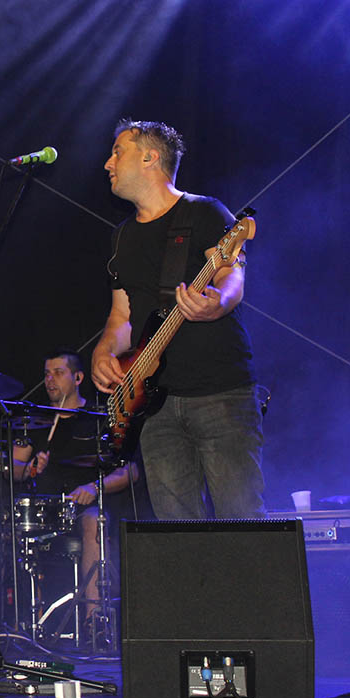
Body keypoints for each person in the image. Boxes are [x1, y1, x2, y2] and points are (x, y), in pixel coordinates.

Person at [91, 119, 264, 520]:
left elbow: (230, 274)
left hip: (220, 392)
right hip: (153, 407)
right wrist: (103, 352)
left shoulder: (204, 212)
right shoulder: (121, 237)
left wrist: (218, 302)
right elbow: (121, 315)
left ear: (150, 157)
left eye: (118, 152)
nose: (107, 163)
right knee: (176, 534)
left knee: (243, 524)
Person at [10, 350, 137, 625]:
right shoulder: (37, 421)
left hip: (86, 507)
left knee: (94, 522)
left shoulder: (99, 418)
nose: (50, 379)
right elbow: (13, 467)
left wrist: (95, 487)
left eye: (58, 372)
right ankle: (30, 624)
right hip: (45, 511)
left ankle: (95, 621)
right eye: (46, 374)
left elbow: (131, 470)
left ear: (78, 377)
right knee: (7, 528)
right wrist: (29, 469)